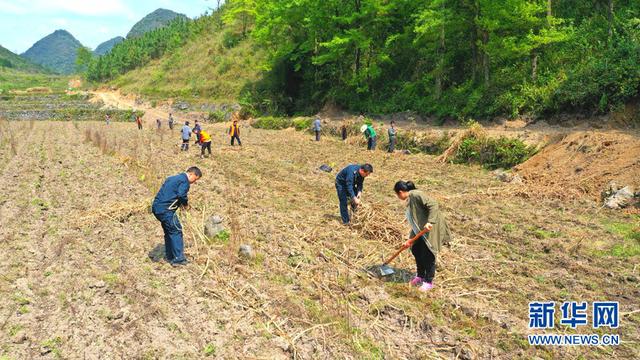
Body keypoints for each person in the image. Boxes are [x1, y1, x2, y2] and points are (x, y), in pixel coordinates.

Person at [393, 181, 451, 292]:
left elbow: (433, 204)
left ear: (400, 192)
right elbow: (416, 222)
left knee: (427, 254)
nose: (398, 197)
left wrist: (430, 221)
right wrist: (410, 239)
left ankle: (428, 282)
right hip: (421, 231)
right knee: (416, 250)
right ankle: (420, 276)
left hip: (431, 228)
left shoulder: (415, 194)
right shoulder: (410, 200)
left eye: (397, 194)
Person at [152, 167, 202, 266]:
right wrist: (185, 205)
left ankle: (170, 255)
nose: (194, 182)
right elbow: (181, 194)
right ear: (191, 174)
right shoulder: (184, 181)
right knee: (176, 230)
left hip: (157, 208)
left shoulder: (172, 178)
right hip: (167, 210)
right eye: (195, 179)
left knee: (169, 231)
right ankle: (178, 259)